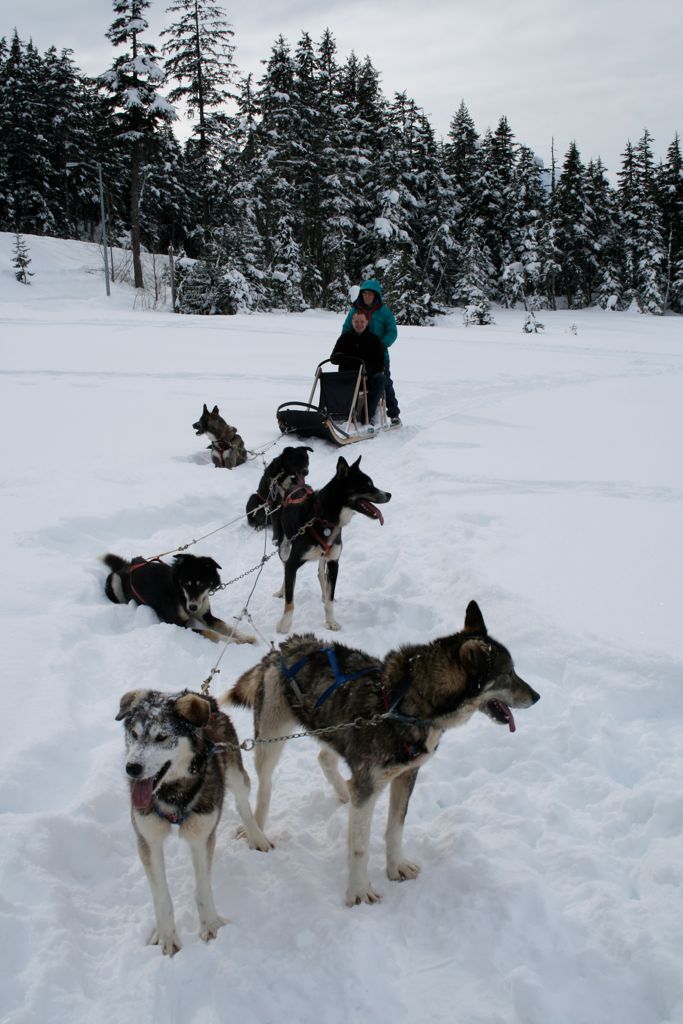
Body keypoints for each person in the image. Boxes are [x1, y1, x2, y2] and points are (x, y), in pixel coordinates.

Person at [341, 279, 401, 425]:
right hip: (357, 356)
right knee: (351, 380)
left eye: (370, 294)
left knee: (384, 381)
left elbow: (392, 331)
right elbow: (346, 330)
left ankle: (393, 414)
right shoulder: (355, 311)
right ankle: (347, 411)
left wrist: (381, 345)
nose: (367, 296)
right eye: (365, 293)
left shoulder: (384, 312)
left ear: (376, 296)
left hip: (379, 355)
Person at [330, 310, 386, 422]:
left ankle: (367, 415)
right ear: (352, 322)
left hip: (367, 377)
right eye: (356, 321)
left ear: (367, 322)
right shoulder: (344, 338)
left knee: (381, 378)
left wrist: (367, 372)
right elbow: (333, 358)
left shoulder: (374, 340)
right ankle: (339, 414)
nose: (359, 324)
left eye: (362, 321)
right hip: (348, 377)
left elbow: (380, 364)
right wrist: (339, 356)